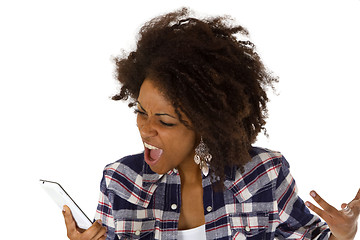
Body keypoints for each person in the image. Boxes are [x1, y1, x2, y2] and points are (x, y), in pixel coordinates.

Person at [63, 8, 359, 240]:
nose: (145, 128)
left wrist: (344, 234)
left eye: (164, 121)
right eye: (141, 112)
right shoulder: (120, 181)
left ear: (204, 123)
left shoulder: (263, 175)